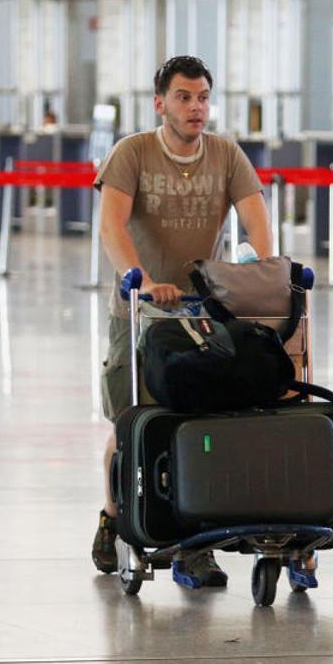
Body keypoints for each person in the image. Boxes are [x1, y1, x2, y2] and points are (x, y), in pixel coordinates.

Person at [91, 55, 273, 587]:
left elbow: (256, 220)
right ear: (160, 104)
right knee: (134, 421)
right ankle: (113, 515)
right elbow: (112, 226)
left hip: (201, 311)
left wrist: (263, 275)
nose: (195, 108)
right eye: (184, 98)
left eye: (202, 98)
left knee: (202, 423)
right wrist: (142, 279)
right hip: (140, 307)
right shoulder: (133, 153)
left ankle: (197, 542)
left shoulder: (226, 155)